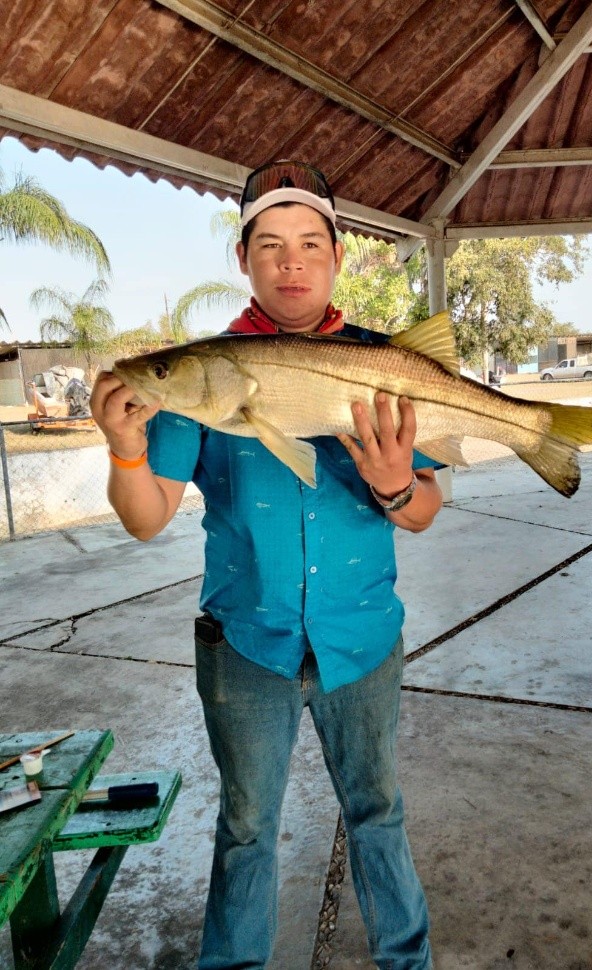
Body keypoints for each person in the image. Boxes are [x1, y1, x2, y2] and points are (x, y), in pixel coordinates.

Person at [91, 159, 442, 970]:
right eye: (272, 244)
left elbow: (424, 508)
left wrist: (396, 488)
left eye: (312, 244)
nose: (292, 262)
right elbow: (146, 518)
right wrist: (123, 448)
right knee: (247, 824)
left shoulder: (385, 364)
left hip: (362, 637)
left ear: (336, 258)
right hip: (246, 645)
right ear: (243, 258)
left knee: (378, 810)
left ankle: (409, 961)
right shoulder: (203, 373)